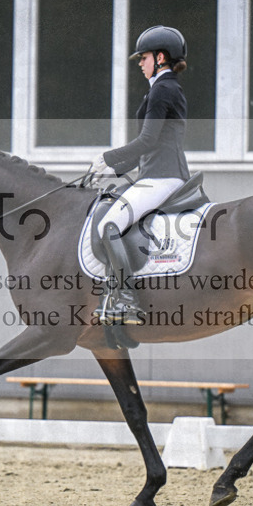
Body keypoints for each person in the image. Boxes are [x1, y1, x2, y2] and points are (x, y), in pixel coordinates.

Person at [88, 25, 190, 325]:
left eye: (143, 58)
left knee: (109, 223)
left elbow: (146, 141)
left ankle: (125, 297)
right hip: (158, 173)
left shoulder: (162, 89)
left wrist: (108, 156)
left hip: (163, 178)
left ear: (160, 57)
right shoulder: (163, 88)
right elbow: (150, 148)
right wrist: (111, 169)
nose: (140, 64)